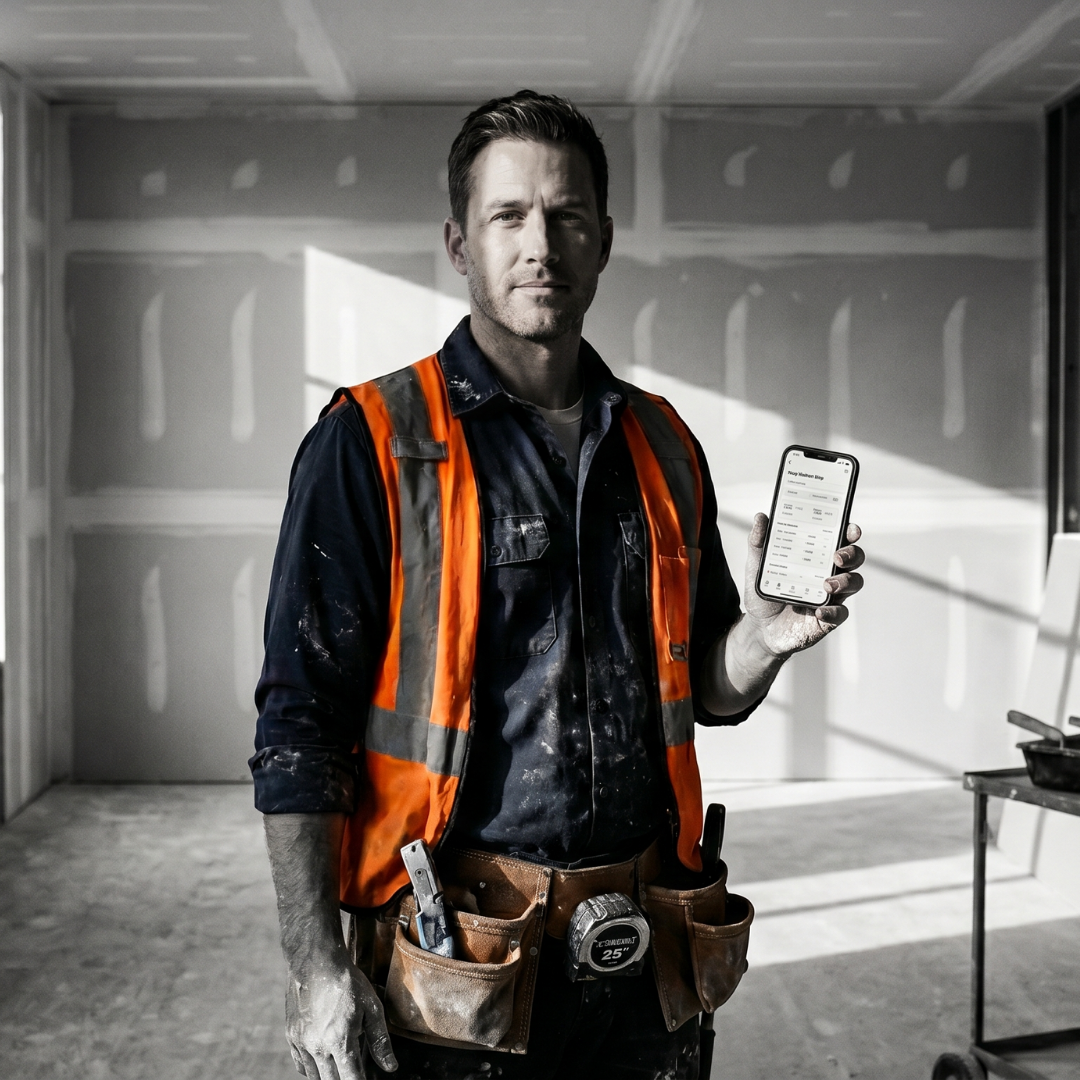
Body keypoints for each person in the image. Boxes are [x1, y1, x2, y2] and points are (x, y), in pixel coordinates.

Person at [250, 90, 864, 1080]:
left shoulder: (662, 444)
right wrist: (316, 969)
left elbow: (708, 688)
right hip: (454, 963)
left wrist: (768, 635)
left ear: (605, 238)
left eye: (568, 214)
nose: (541, 243)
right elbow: (298, 729)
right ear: (460, 242)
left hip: (647, 958)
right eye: (509, 216)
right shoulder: (371, 441)